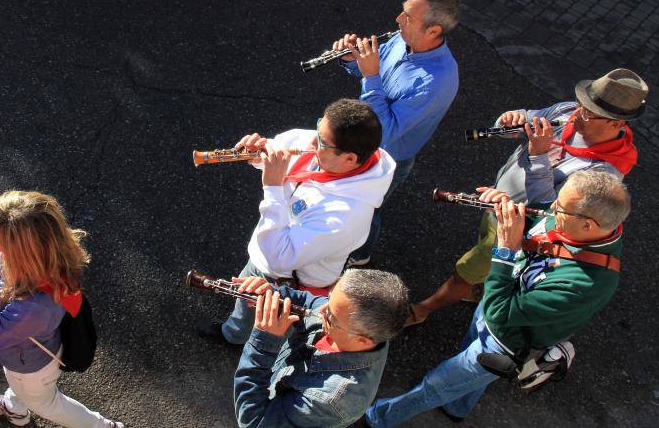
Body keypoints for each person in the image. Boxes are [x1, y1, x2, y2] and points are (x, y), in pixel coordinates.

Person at [354, 170, 630, 426]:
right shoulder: (574, 223)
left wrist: (505, 251)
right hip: (496, 307)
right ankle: (457, 408)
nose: (551, 208)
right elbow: (534, 226)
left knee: (436, 386)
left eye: (560, 209)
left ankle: (379, 417)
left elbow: (501, 311)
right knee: (470, 376)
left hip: (505, 339)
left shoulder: (585, 283)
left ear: (588, 226)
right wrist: (507, 210)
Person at [408, 68, 648, 326]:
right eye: (581, 104)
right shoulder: (568, 112)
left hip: (517, 224)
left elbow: (550, 208)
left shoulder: (604, 173)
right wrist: (509, 121)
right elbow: (527, 120)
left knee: (466, 271)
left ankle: (423, 310)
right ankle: (485, 285)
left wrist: (539, 155)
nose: (577, 113)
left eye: (588, 112)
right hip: (496, 202)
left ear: (616, 122)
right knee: (483, 251)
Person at [195, 99, 396, 345]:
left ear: (350, 159)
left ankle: (250, 348)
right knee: (244, 305)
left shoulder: (344, 217)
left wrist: (272, 187)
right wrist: (258, 155)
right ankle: (233, 334)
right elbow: (279, 154)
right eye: (318, 126)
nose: (311, 141)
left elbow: (277, 255)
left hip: (290, 283)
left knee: (269, 331)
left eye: (322, 142)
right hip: (267, 257)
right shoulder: (326, 149)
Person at [0, 191, 122, 428]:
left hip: (31, 370)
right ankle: (15, 409)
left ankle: (99, 426)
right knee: (21, 388)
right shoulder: (45, 251)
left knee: (46, 404)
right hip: (24, 355)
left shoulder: (34, 308)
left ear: (20, 252)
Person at [333, 0, 461, 265]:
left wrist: (370, 76)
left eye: (407, 17)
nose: (398, 20)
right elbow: (374, 74)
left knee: (366, 210)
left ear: (433, 31)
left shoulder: (435, 82)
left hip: (387, 157)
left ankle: (359, 255)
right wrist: (352, 60)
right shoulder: (403, 40)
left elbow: (385, 131)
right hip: (362, 140)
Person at [234, 269, 409, 428]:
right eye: (330, 297)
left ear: (362, 340)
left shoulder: (333, 400)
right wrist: (276, 295)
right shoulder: (359, 322)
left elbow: (253, 422)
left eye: (331, 317)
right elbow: (311, 301)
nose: (320, 311)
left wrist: (263, 342)